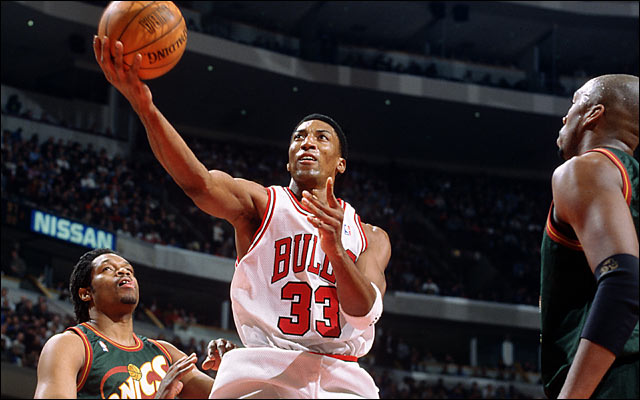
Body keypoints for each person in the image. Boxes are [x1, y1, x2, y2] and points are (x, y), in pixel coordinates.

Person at [93, 35, 391, 398]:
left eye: (321, 137)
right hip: (266, 373)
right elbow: (199, 183)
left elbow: (363, 313)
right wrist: (145, 107)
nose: (307, 142)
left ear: (340, 163)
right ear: (288, 160)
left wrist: (335, 251)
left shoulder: (370, 236)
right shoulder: (262, 205)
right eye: (298, 137)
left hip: (342, 381)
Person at [540, 74, 639, 398]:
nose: (565, 116)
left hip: (614, 380)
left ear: (594, 114)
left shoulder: (586, 169)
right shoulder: (627, 181)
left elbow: (622, 281)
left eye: (574, 103)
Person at [34, 248, 236, 399]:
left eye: (128, 270)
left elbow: (232, 395)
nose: (124, 272)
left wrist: (233, 367)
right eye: (108, 268)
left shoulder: (165, 352)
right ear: (86, 293)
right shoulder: (70, 345)